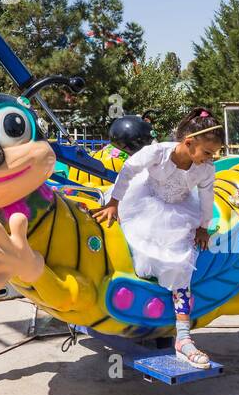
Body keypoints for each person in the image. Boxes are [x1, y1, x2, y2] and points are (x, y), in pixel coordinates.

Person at [93, 108, 222, 366]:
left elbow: (207, 198)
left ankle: (183, 337)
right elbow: (129, 170)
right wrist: (114, 203)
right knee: (130, 245)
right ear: (188, 142)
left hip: (179, 210)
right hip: (142, 201)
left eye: (214, 154)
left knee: (180, 261)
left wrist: (203, 227)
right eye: (207, 152)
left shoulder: (205, 170)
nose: (211, 158)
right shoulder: (158, 152)